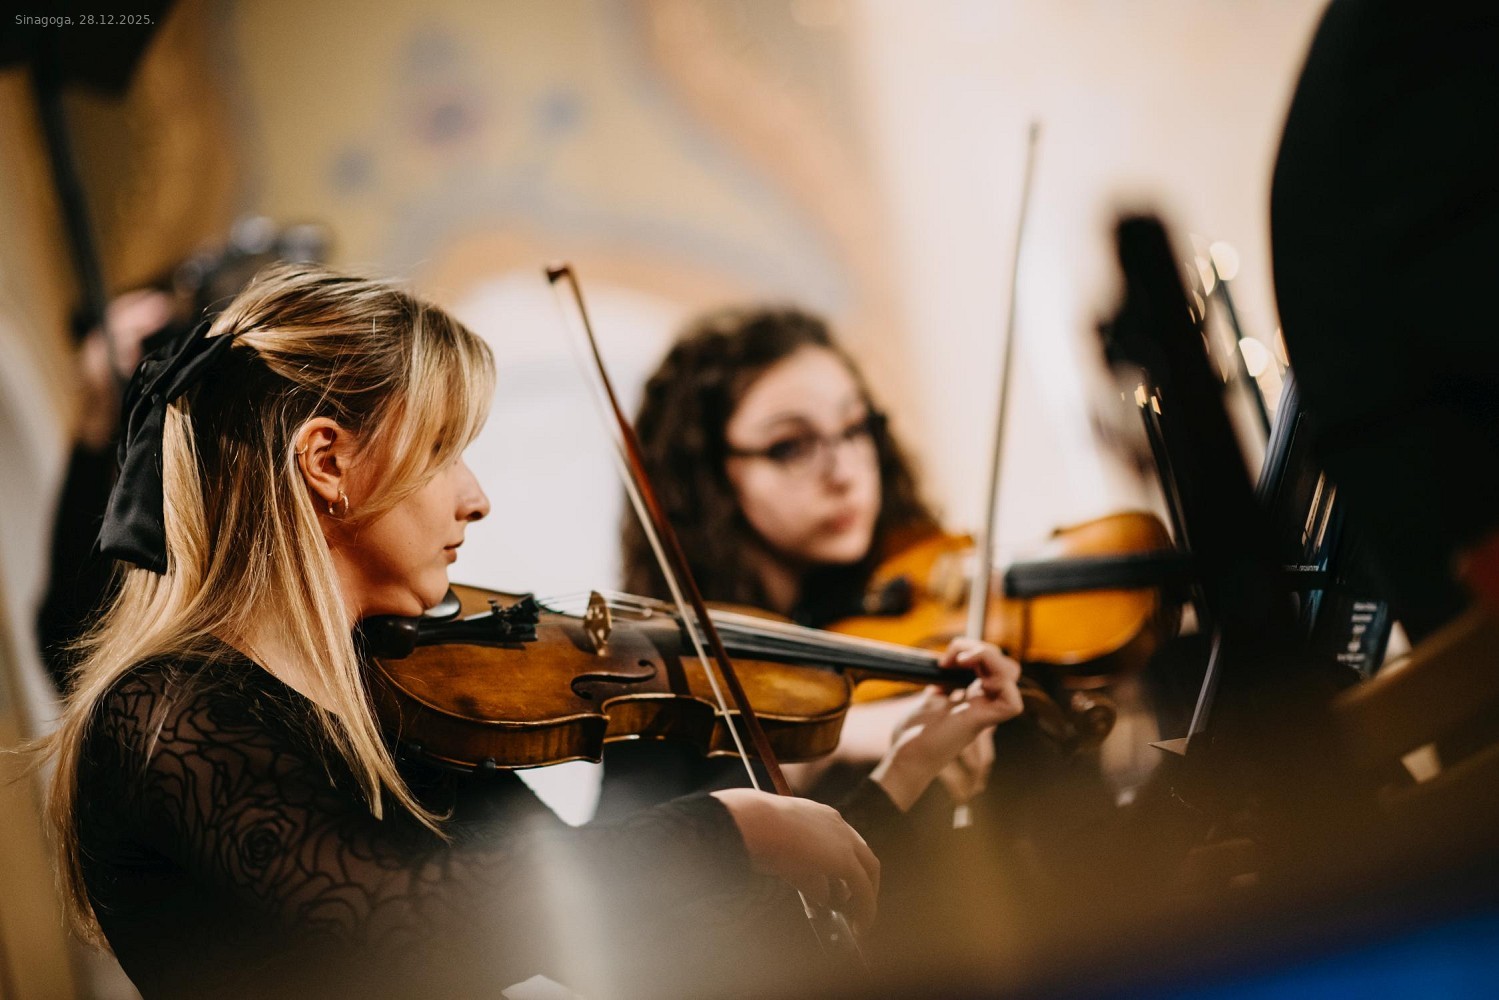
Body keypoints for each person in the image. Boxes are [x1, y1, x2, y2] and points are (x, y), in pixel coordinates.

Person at [39, 264, 1022, 999]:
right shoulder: (165, 718)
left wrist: (901, 772)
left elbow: (673, 955)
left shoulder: (397, 705)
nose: (475, 497)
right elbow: (418, 918)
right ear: (326, 461)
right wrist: (732, 825)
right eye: (442, 451)